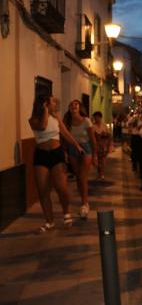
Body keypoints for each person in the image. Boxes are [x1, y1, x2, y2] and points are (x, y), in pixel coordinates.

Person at [29, 96, 83, 232]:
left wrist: (76, 145)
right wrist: (46, 111)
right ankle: (49, 221)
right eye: (52, 102)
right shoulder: (33, 119)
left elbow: (65, 133)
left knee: (62, 188)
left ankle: (66, 212)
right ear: (44, 104)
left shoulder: (57, 117)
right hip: (41, 156)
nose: (56, 103)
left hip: (56, 154)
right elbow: (42, 126)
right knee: (43, 191)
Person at [64, 99, 97, 220]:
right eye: (71, 104)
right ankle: (84, 202)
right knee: (78, 177)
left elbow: (92, 139)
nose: (73, 106)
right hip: (72, 149)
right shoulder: (67, 121)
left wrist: (95, 155)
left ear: (79, 108)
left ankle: (84, 204)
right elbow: (65, 138)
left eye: (76, 104)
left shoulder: (86, 121)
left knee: (83, 177)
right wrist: (65, 152)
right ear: (69, 108)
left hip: (85, 149)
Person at [91, 111, 112, 180]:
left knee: (102, 160)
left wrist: (109, 145)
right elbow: (92, 136)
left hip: (104, 145)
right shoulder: (93, 126)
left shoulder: (104, 125)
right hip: (96, 145)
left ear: (100, 117)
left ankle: (101, 174)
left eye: (98, 117)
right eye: (95, 117)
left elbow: (109, 135)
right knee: (98, 160)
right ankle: (99, 173)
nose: (96, 119)